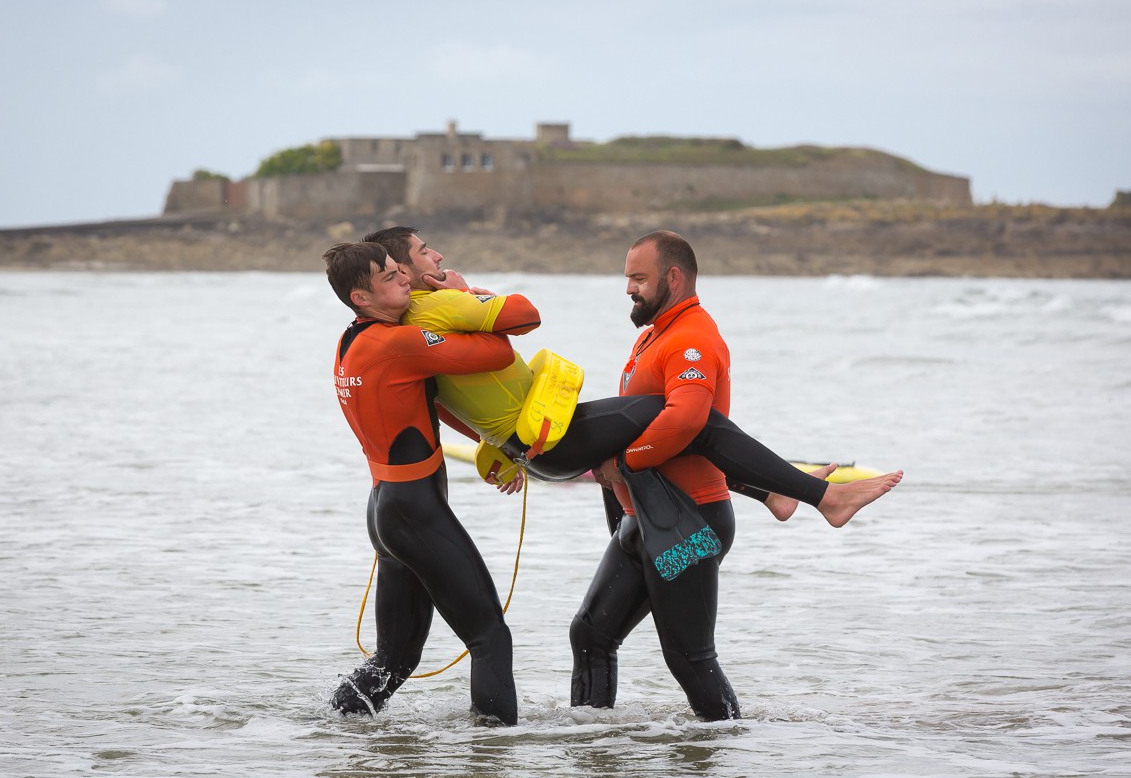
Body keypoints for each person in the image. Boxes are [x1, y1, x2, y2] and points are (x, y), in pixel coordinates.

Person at [569, 230, 903, 720]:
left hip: (691, 522)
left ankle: (727, 747)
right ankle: (592, 746)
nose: (628, 289)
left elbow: (687, 423)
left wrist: (620, 464)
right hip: (645, 518)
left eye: (639, 278)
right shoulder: (653, 335)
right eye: (627, 278)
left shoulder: (693, 338)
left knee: (689, 658)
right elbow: (661, 430)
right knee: (591, 635)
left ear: (674, 277)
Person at [361, 226, 899, 527]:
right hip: (552, 440)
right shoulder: (434, 311)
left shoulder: (403, 336)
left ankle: (771, 495)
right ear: (402, 270)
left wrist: (502, 448)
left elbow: (446, 403)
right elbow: (520, 319)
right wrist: (467, 290)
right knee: (690, 419)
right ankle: (818, 497)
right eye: (426, 249)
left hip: (536, 443)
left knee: (594, 633)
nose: (439, 252)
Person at [322, 240, 540, 726]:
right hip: (415, 511)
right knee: (489, 637)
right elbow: (498, 352)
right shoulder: (398, 343)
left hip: (386, 509)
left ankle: (328, 729)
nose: (404, 279)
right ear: (362, 298)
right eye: (389, 278)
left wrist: (501, 447)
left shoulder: (350, 341)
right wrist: (466, 295)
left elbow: (432, 401)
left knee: (395, 660)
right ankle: (493, 754)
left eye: (401, 270)